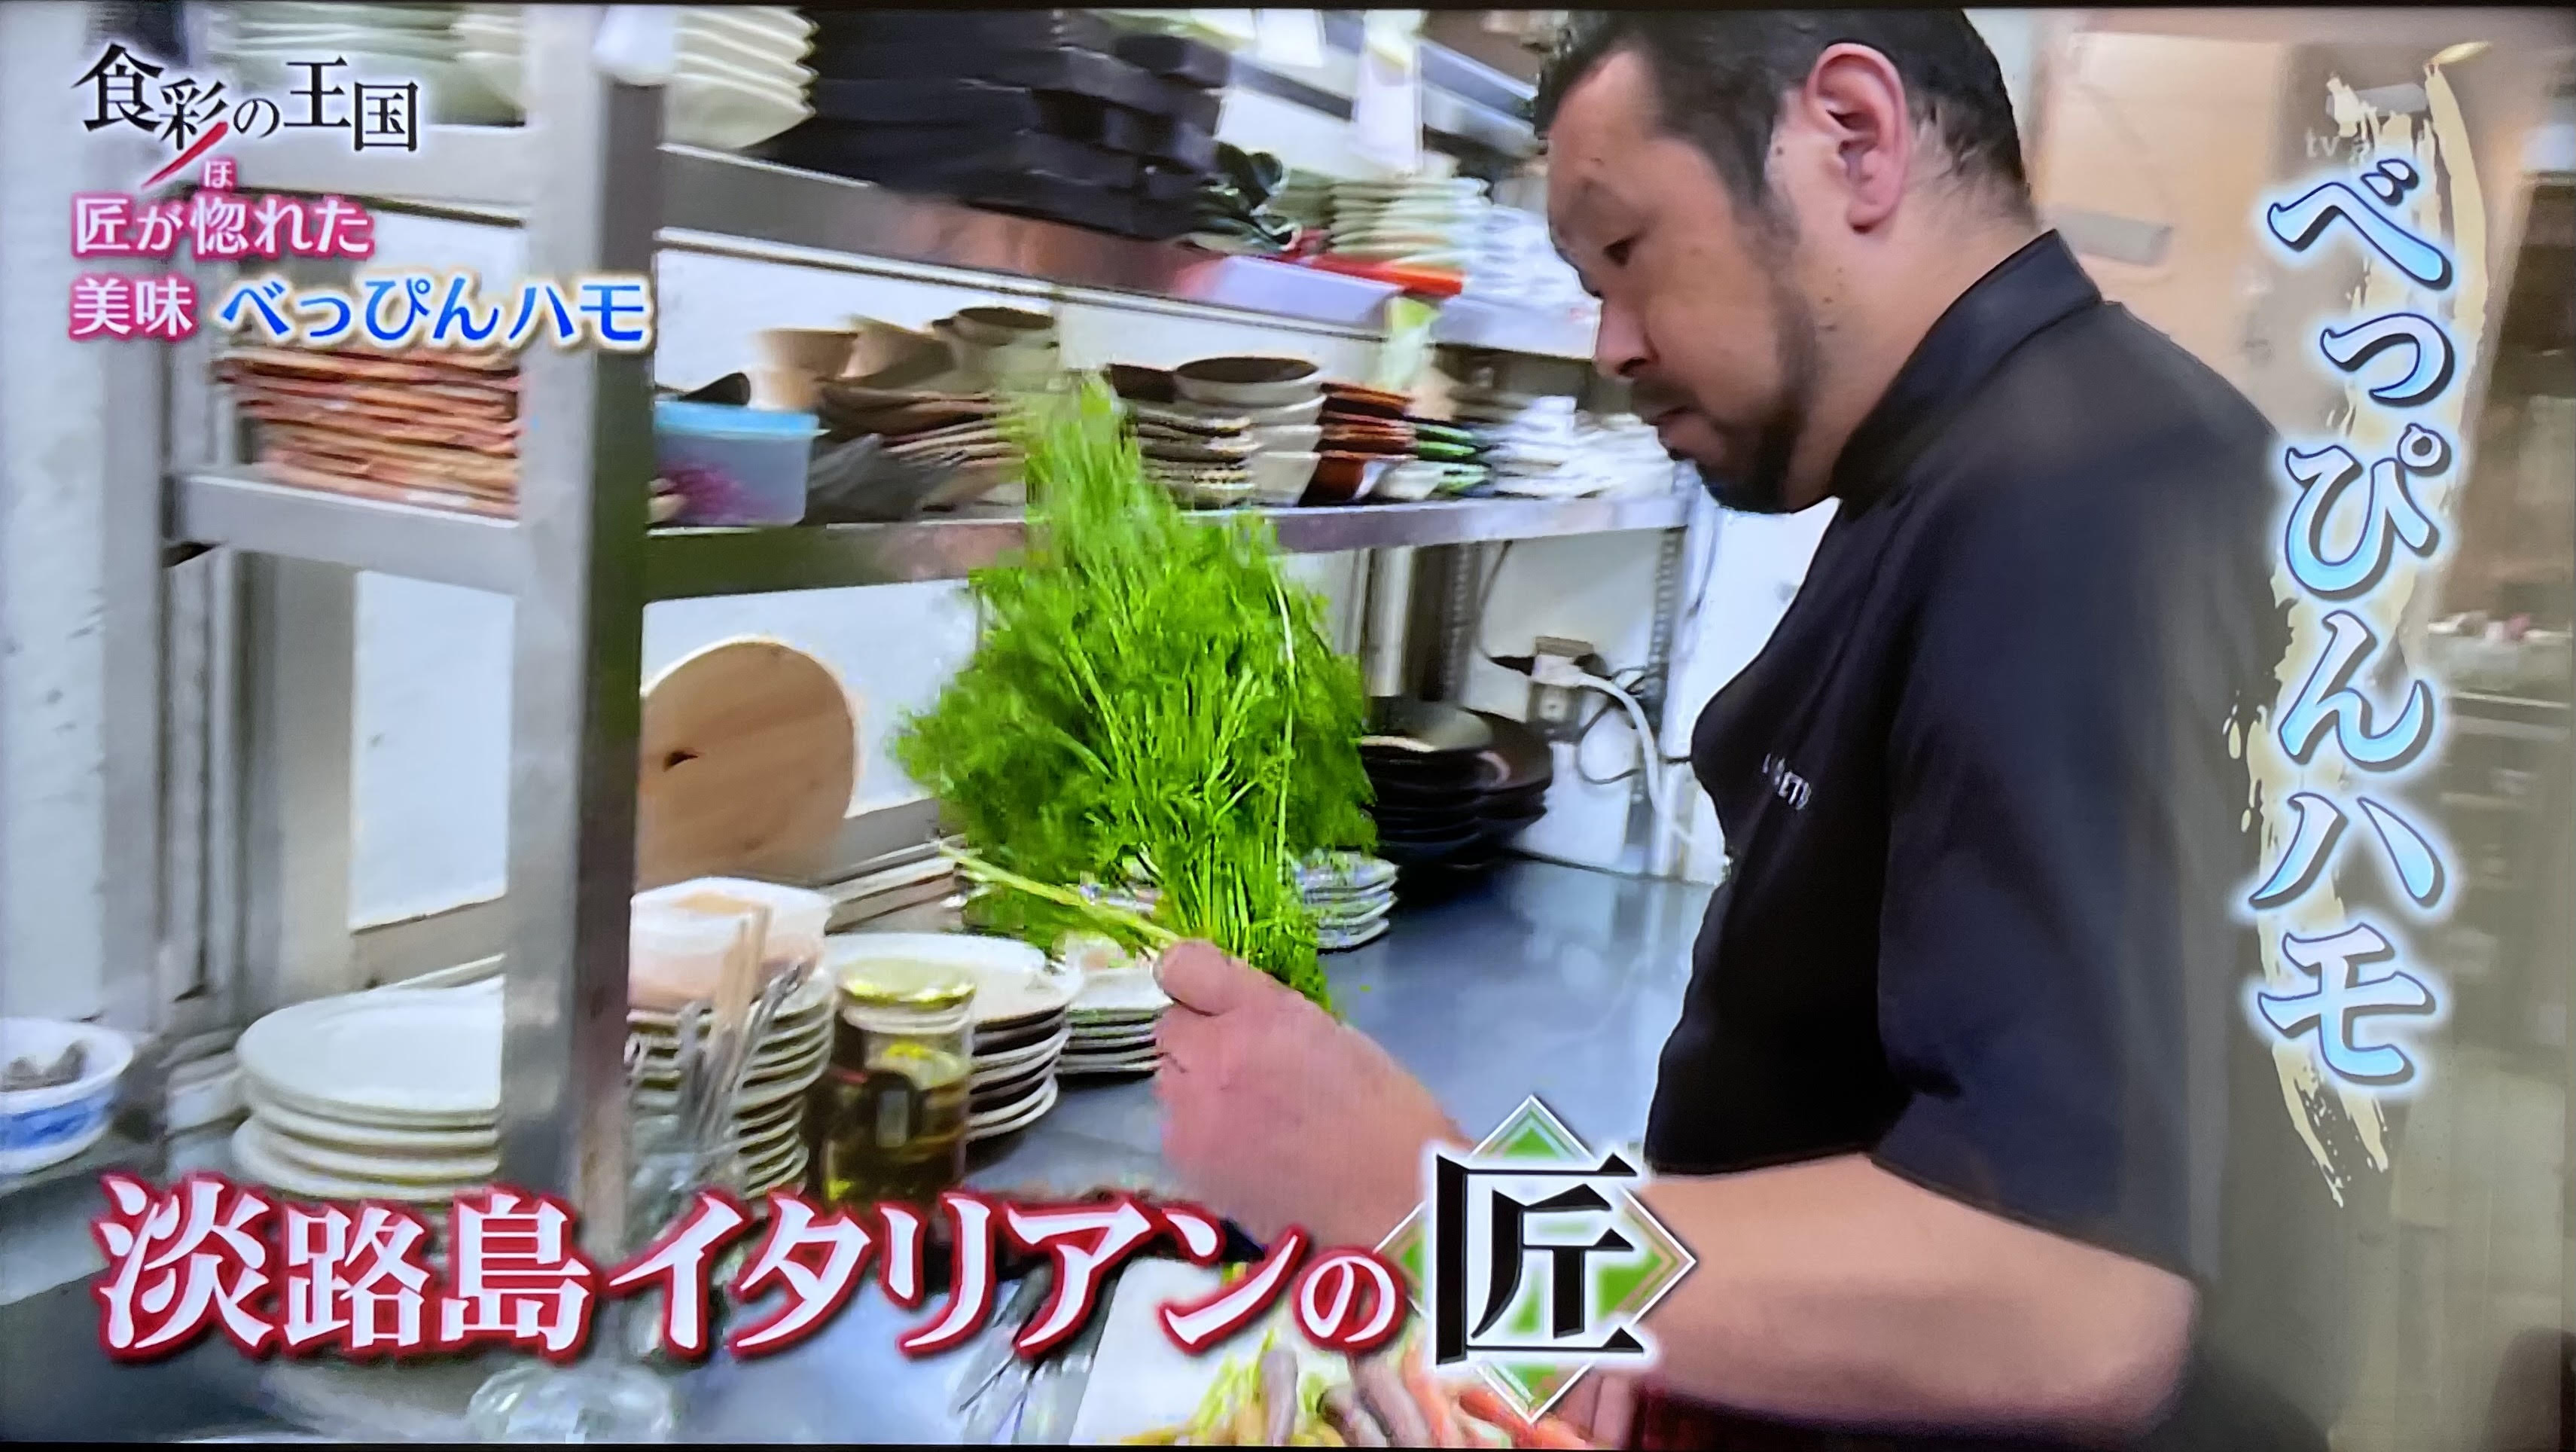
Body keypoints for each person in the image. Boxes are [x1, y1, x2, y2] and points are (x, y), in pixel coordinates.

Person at [1155, 11, 2349, 1450]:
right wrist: (1643, 1333)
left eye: (1626, 250)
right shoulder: (1959, 464)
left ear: (1850, 136)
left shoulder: (2077, 501)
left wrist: (1437, 1214)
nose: (1611, 343)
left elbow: (2070, 1299)